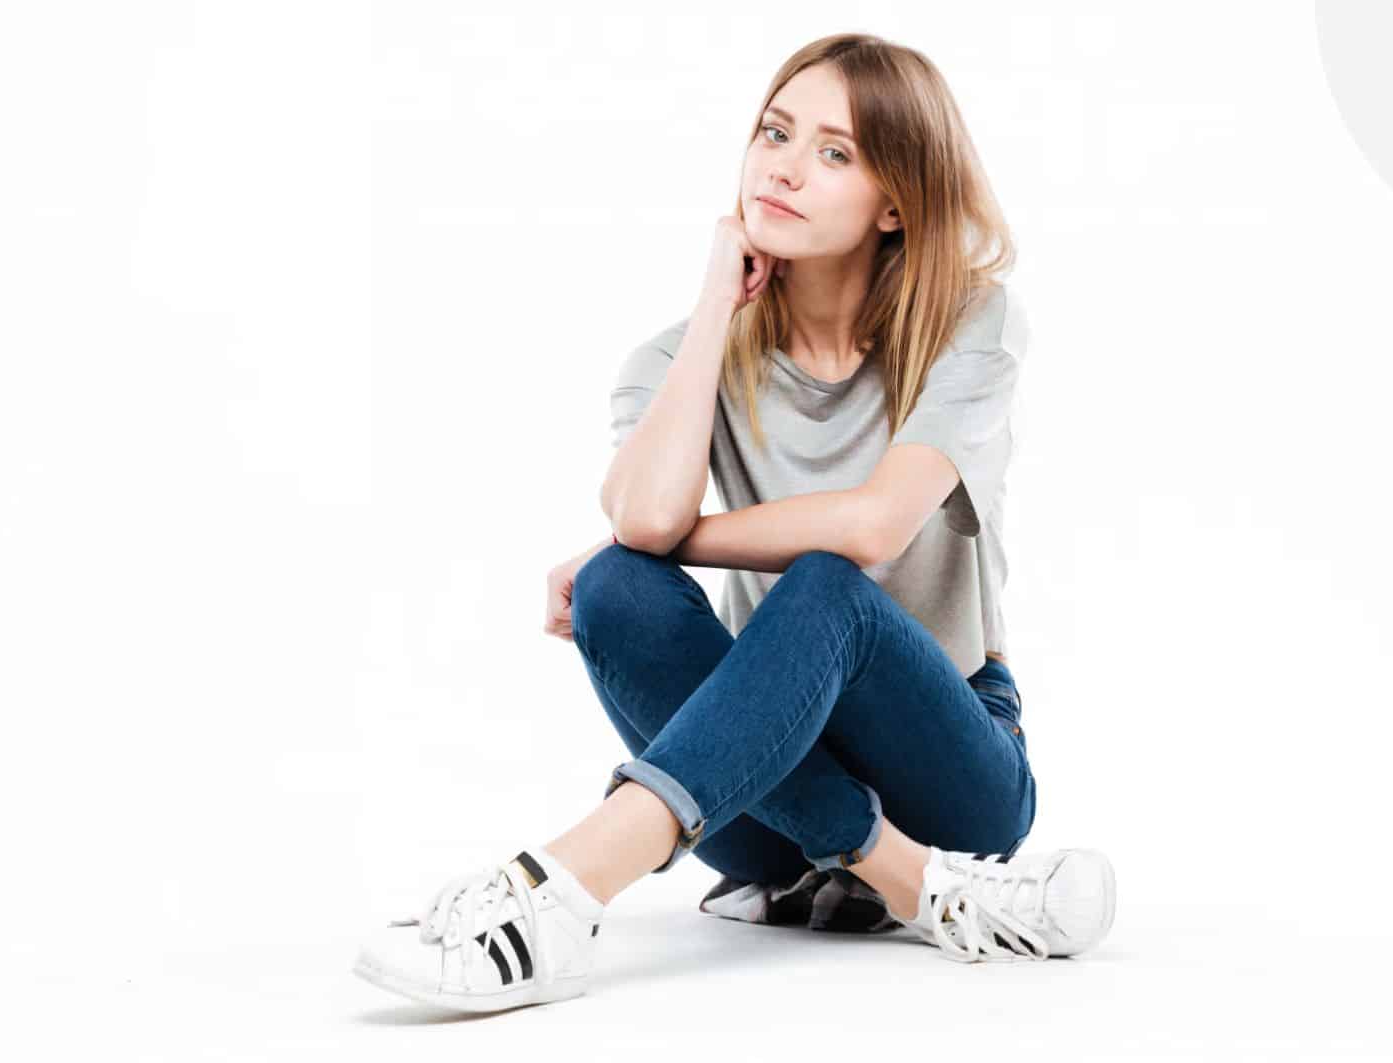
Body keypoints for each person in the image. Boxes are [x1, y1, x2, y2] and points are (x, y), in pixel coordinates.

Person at [355, 33, 1115, 1015]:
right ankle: (911, 883)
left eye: (834, 152)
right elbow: (644, 516)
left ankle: (561, 891)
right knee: (617, 587)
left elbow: (874, 527)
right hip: (760, 795)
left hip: (953, 771)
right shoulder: (673, 359)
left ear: (895, 203)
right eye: (774, 133)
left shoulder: (970, 325)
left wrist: (672, 537)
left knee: (824, 582)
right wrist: (719, 301)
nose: (784, 168)